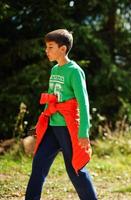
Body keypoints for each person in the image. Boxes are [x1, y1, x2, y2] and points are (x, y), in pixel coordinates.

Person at [25, 29, 98, 200]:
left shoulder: (74, 71)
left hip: (68, 128)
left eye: (50, 47)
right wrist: (42, 122)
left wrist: (84, 131)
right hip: (52, 127)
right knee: (38, 165)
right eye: (46, 47)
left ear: (63, 49)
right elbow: (51, 100)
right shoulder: (55, 70)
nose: (46, 51)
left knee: (75, 170)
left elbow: (84, 102)